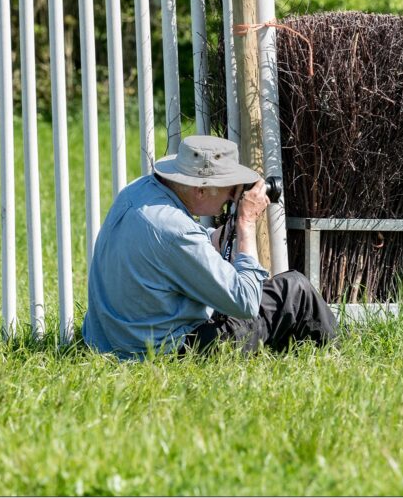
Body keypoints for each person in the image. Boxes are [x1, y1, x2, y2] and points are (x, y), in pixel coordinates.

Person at [82, 135, 337, 359]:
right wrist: (245, 222)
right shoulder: (176, 231)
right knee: (294, 289)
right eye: (228, 192)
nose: (230, 199)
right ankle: (338, 355)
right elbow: (246, 303)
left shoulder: (137, 192)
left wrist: (220, 233)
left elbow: (182, 247)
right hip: (160, 352)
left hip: (111, 340)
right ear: (202, 191)